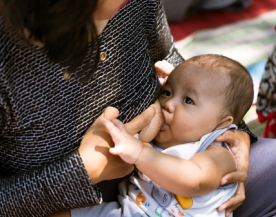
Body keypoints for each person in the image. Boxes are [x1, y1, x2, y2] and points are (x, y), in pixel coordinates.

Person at [0, 0, 275, 216]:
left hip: (177, 171)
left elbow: (175, 63)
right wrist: (80, 173)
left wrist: (228, 135)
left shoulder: (130, 5)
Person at [49, 54, 253, 217]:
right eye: (167, 92)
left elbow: (195, 180)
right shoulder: (159, 135)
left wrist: (140, 154)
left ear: (222, 124)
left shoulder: (217, 152)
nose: (169, 104)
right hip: (127, 209)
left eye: (188, 100)